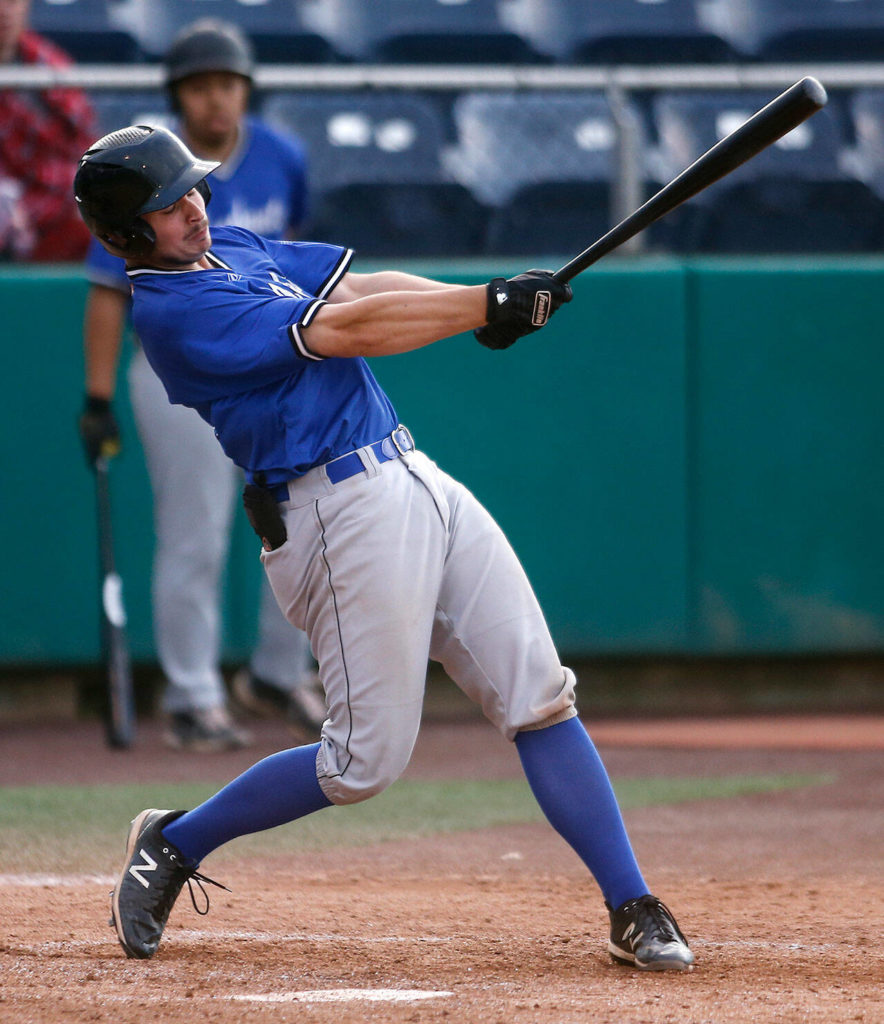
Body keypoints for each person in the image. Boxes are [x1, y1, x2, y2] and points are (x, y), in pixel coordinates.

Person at [73, 124, 696, 973]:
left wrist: (483, 303)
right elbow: (346, 331)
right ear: (122, 234)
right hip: (334, 515)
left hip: (413, 473)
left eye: (192, 190)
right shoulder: (177, 315)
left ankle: (633, 903)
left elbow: (364, 286)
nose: (192, 207)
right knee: (363, 762)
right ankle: (177, 842)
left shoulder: (231, 248)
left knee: (538, 693)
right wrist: (482, 304)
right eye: (166, 203)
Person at [78, 20, 325, 753]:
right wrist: (96, 398)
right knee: (197, 536)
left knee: (301, 515)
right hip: (174, 369)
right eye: (199, 84)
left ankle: (281, 673)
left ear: (246, 88)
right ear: (178, 94)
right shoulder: (148, 166)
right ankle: (193, 696)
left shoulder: (281, 155)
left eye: (227, 82)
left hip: (267, 364)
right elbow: (106, 292)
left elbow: (294, 261)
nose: (215, 98)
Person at [0, 0, 94, 260]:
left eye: (12, 0)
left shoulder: (54, 69)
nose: (4, 9)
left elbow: (85, 158)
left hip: (50, 223)